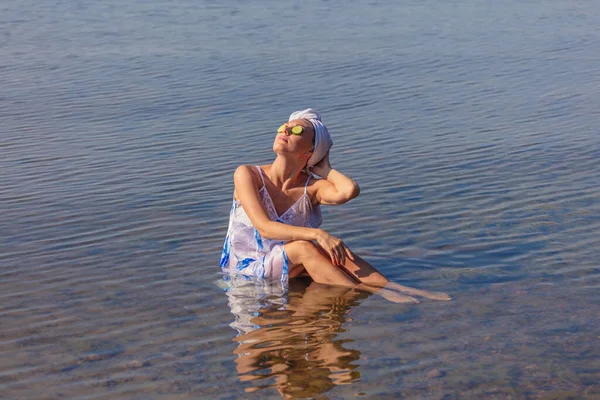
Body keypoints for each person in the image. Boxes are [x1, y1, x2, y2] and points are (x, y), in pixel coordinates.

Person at [219, 109, 450, 303]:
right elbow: (264, 228)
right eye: (284, 127)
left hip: (285, 264)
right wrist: (319, 234)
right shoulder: (248, 174)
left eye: (297, 130)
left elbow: (348, 190)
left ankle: (398, 288)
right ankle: (365, 293)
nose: (285, 131)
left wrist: (325, 169)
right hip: (246, 271)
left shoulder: (312, 188)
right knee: (306, 246)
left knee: (334, 250)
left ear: (310, 151)